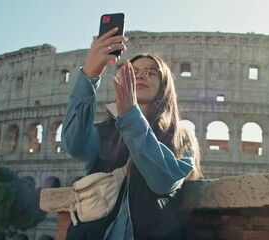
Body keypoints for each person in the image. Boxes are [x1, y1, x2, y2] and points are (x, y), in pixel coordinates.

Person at [61, 27, 202, 239]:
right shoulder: (106, 132)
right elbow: (73, 143)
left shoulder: (181, 136)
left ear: (164, 85)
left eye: (150, 72)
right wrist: (89, 75)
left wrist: (129, 117)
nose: (140, 75)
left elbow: (163, 180)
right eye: (133, 71)